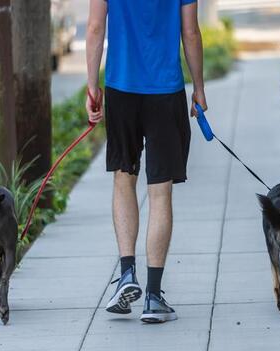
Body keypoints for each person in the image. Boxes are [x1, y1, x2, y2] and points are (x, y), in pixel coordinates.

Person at [85, 0, 206, 323]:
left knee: (124, 179)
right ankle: (153, 296)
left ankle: (127, 274)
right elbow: (190, 31)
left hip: (121, 88)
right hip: (165, 90)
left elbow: (96, 27)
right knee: (160, 190)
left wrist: (92, 88)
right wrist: (199, 88)